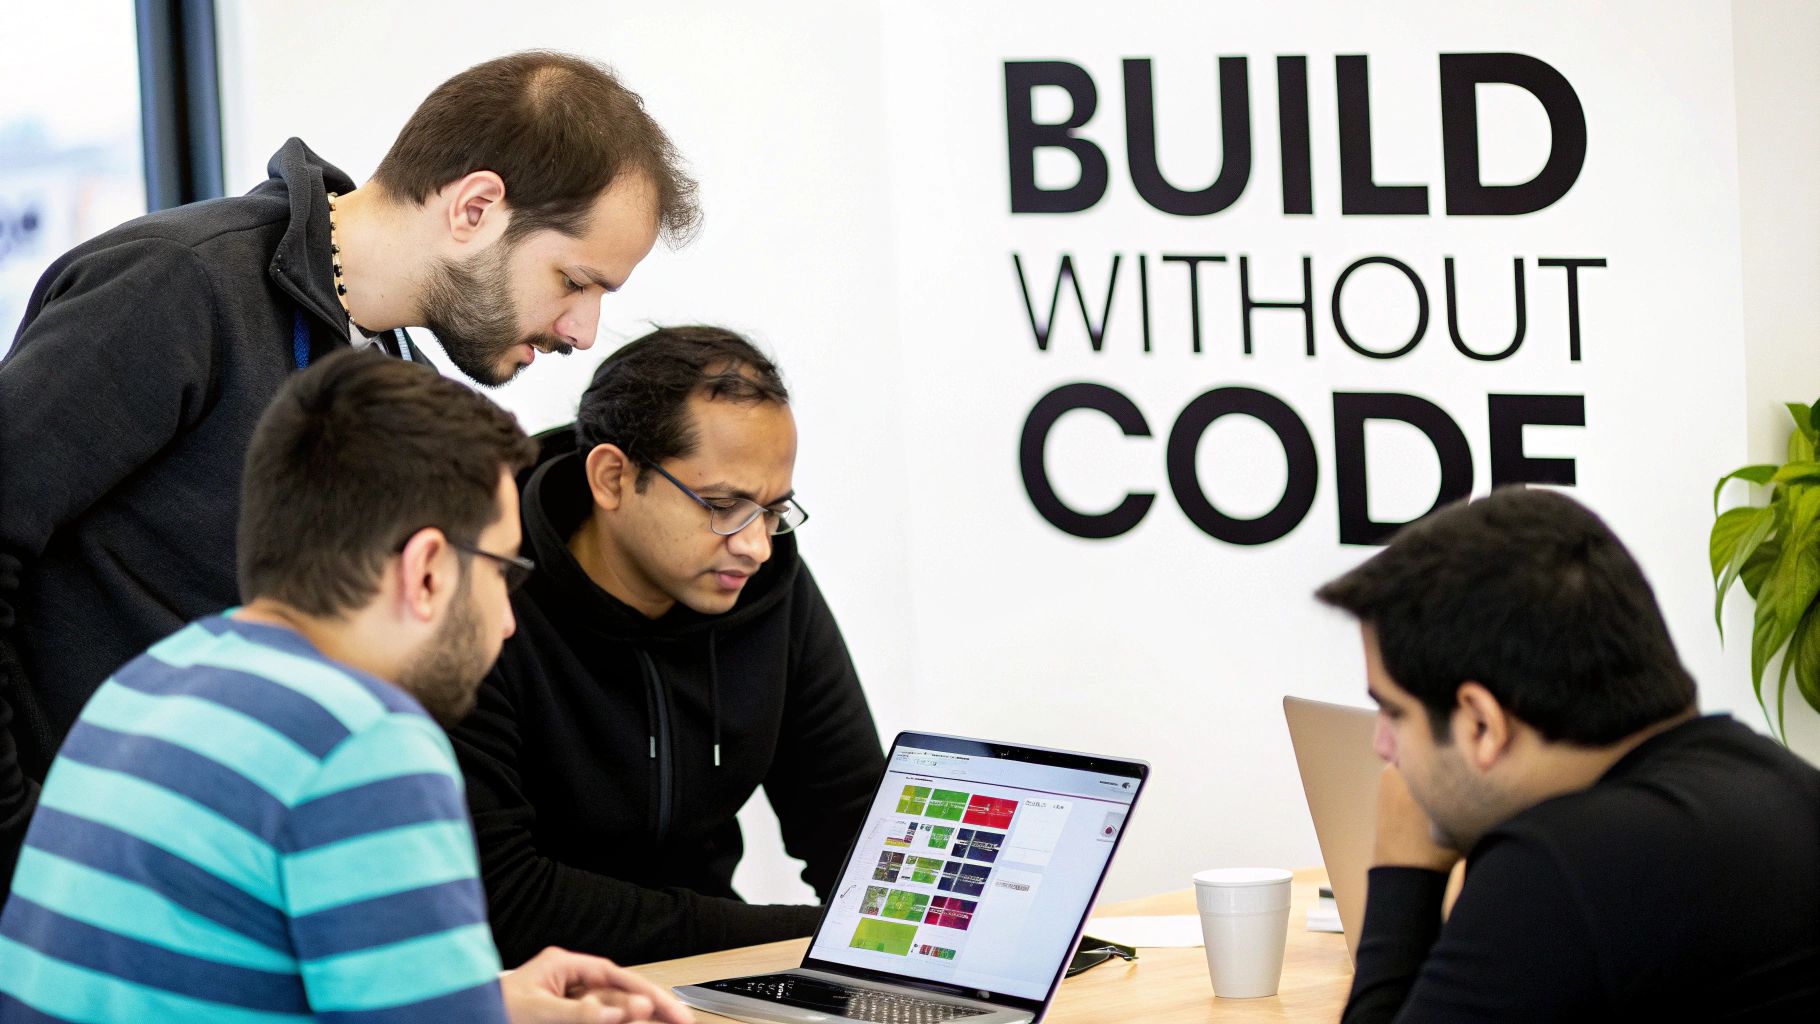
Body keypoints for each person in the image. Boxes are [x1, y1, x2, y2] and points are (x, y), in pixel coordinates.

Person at [0, 50, 698, 890]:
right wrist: (25, 842)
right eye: (574, 281)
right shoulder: (179, 289)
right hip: (91, 912)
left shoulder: (401, 384)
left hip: (248, 902)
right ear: (475, 207)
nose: (583, 331)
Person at [0, 351, 694, 1024]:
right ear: (427, 569)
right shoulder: (363, 742)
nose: (510, 622)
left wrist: (486, 999)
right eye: (502, 572)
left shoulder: (150, 681)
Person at [449, 326, 885, 965]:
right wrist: (800, 935)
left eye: (773, 510)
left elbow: (854, 827)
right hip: (535, 994)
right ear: (612, 478)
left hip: (713, 976)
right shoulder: (488, 590)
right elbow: (505, 899)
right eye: (722, 505)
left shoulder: (770, 584)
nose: (756, 544)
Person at [1315, 488, 1820, 1021]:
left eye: (1393, 713)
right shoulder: (1787, 786)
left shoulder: (1557, 872)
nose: (1381, 746)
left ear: (1481, 723)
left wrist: (1404, 873)